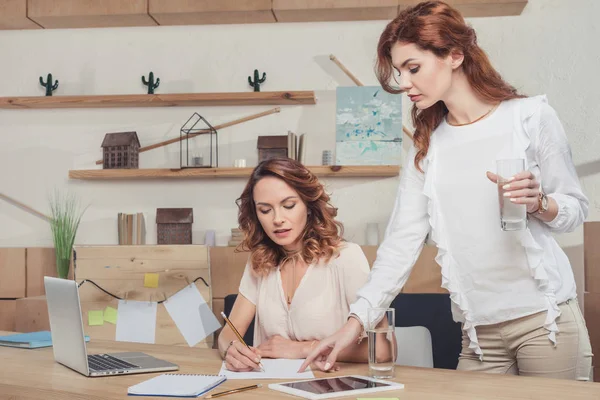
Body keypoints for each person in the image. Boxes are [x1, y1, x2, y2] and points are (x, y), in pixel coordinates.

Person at [301, 0, 592, 380]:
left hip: (546, 322)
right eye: (399, 71)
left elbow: (575, 209)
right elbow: (399, 246)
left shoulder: (530, 118)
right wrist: (353, 325)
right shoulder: (427, 149)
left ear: (455, 55)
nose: (404, 83)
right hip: (478, 335)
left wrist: (540, 203)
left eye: (413, 68)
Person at [217, 158, 372, 372]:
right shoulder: (260, 261)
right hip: (270, 391)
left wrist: (302, 349)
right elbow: (228, 334)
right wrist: (232, 349)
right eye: (265, 210)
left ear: (308, 205)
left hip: (329, 388)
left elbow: (382, 348)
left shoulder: (346, 258)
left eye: (288, 206)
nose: (277, 219)